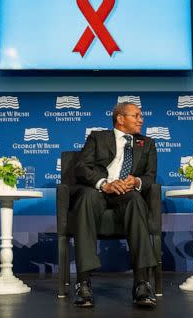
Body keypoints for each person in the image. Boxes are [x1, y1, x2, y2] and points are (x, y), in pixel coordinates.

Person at [71, 102, 158, 308]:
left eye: (141, 115)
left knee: (136, 200)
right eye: (136, 115)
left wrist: (135, 182)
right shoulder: (98, 137)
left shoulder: (147, 143)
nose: (141, 119)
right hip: (100, 189)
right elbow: (82, 167)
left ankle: (142, 283)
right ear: (120, 118)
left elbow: (149, 176)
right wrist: (105, 184)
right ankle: (83, 283)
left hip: (127, 193)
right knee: (86, 198)